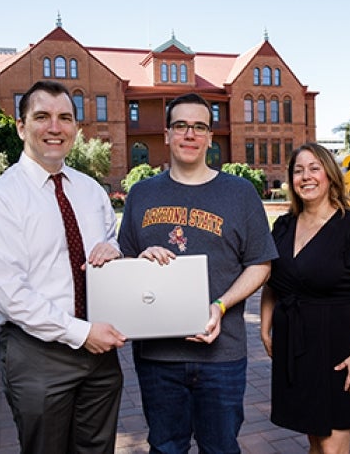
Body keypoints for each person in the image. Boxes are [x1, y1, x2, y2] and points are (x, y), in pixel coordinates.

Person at [0, 80, 126, 453]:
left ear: (76, 128)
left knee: (98, 449)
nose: (55, 128)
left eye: (65, 118)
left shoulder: (91, 191)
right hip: (38, 352)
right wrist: (79, 332)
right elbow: (8, 295)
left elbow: (110, 241)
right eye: (42, 117)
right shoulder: (0, 200)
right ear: (21, 126)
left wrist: (113, 250)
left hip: (100, 352)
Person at [117, 92, 277, 453]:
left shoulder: (240, 193)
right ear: (167, 133)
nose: (190, 134)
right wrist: (141, 259)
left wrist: (220, 305)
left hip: (222, 355)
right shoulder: (141, 194)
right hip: (158, 357)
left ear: (209, 135)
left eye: (199, 126)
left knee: (220, 448)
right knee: (165, 447)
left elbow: (261, 264)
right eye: (181, 125)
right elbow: (123, 263)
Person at [260, 143, 350, 453]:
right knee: (315, 439)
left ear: (330, 176)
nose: (306, 177)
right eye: (298, 170)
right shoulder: (283, 225)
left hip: (337, 347)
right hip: (295, 344)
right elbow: (273, 281)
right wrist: (265, 328)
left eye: (314, 168)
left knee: (333, 445)